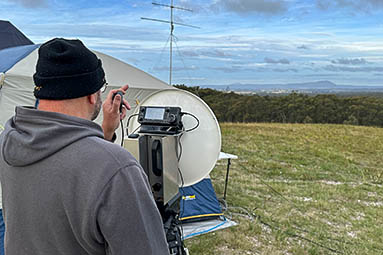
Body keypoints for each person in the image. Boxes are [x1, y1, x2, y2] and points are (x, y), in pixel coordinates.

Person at [0, 38, 169, 255]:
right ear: (92, 94)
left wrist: (105, 133)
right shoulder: (118, 168)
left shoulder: (9, 141)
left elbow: (64, 167)